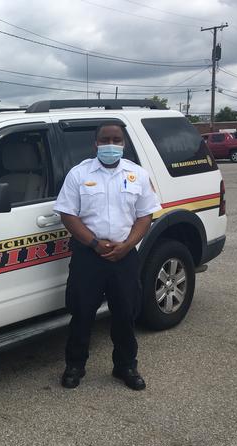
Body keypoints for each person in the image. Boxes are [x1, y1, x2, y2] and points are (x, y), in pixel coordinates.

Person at [54, 123, 162, 391]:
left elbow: (145, 215)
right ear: (96, 144)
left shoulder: (137, 175)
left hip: (124, 255)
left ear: (123, 143)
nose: (111, 144)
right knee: (82, 313)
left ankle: (125, 365)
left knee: (126, 312)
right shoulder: (78, 174)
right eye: (105, 139)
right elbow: (68, 213)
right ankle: (75, 365)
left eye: (116, 139)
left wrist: (128, 245)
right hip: (88, 255)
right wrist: (93, 243)